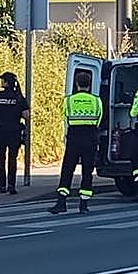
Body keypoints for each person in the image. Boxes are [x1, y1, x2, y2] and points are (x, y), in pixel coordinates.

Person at [50, 69, 104, 215]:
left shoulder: (68, 100)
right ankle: (83, 205)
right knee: (87, 172)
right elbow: (98, 120)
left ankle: (61, 203)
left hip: (74, 138)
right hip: (90, 138)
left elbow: (66, 119)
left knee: (67, 170)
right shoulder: (96, 101)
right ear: (89, 84)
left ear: (76, 84)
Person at [0, 72, 30, 195]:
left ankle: (2, 185)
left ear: (6, 83)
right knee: (13, 158)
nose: (1, 82)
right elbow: (27, 115)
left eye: (2, 80)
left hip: (0, 131)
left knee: (0, 158)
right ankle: (12, 185)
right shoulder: (19, 98)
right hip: (15, 131)